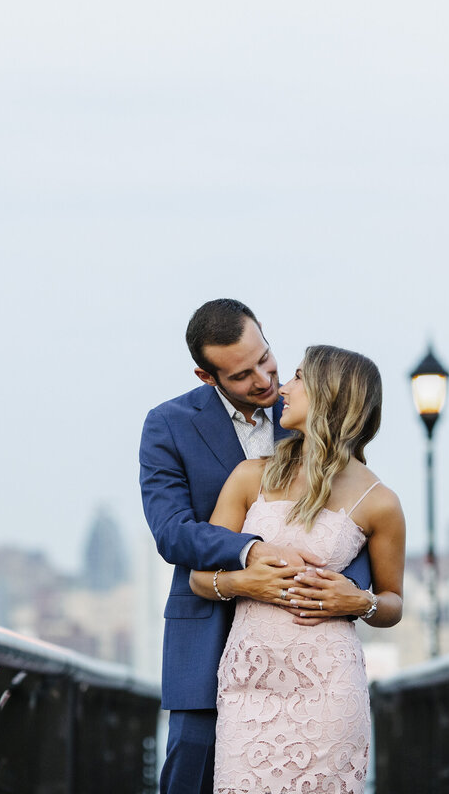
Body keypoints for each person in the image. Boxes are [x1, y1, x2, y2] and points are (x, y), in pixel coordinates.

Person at [139, 300, 373, 794]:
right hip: (203, 641)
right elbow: (172, 531)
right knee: (190, 774)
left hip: (307, 658)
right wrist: (249, 556)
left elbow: (354, 522)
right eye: (243, 375)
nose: (265, 381)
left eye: (266, 358)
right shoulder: (167, 425)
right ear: (207, 377)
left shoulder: (307, 409)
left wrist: (356, 595)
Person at [189, 344, 406, 794]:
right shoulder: (251, 476)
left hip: (328, 687)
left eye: (299, 377)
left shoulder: (381, 502)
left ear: (330, 393)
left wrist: (360, 601)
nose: (283, 387)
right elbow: (198, 577)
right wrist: (247, 583)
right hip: (248, 685)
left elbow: (393, 603)